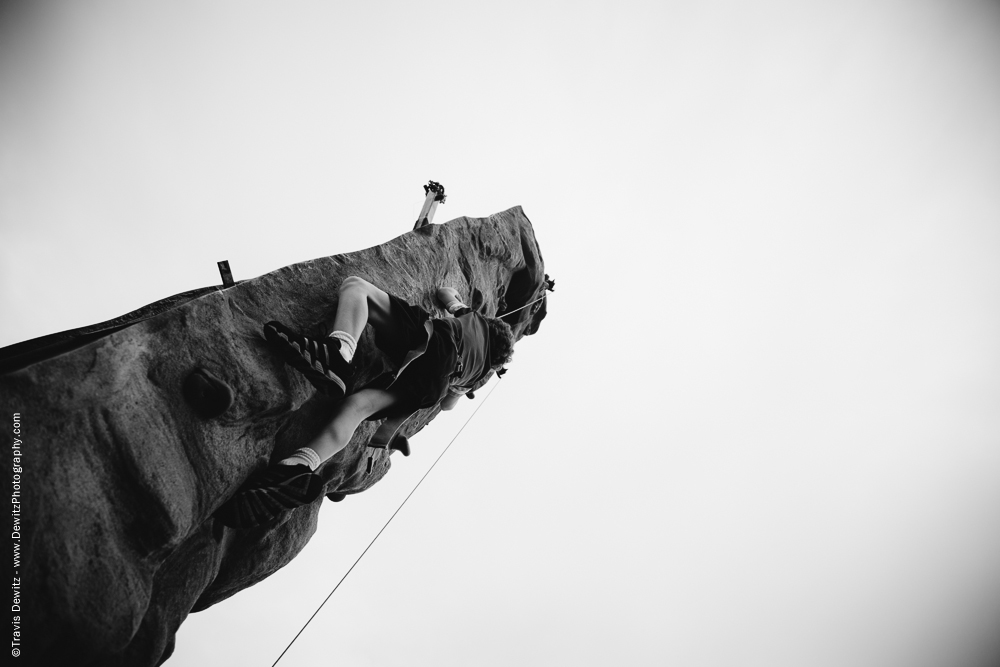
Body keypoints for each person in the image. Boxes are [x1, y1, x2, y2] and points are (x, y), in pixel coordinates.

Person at [216, 276, 515, 529]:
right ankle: (298, 466)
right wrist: (463, 385)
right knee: (357, 408)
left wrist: (457, 302)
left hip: (436, 342)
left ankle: (340, 352)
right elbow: (448, 405)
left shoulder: (474, 320)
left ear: (490, 326)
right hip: (432, 386)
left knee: (356, 286)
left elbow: (444, 294)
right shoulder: (476, 376)